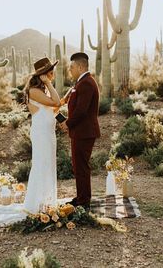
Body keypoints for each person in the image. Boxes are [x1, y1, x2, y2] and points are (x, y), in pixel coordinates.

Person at [0, 57, 61, 229]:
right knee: (42, 165)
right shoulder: (34, 91)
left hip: (48, 133)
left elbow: (54, 108)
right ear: (42, 75)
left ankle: (46, 202)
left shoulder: (42, 91)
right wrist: (49, 84)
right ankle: (36, 205)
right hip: (41, 134)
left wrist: (63, 113)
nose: (52, 74)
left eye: (52, 71)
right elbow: (56, 102)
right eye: (49, 72)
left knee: (49, 165)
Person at [60, 52, 100, 211]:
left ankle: (84, 201)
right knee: (79, 166)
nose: (70, 70)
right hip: (81, 131)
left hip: (84, 132)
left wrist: (67, 123)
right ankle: (81, 197)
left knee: (81, 166)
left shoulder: (86, 83)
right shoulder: (81, 82)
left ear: (80, 66)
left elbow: (81, 110)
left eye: (72, 67)